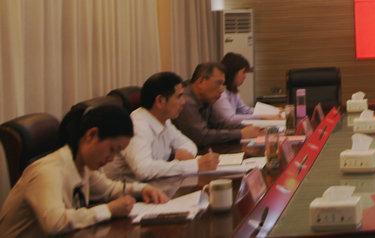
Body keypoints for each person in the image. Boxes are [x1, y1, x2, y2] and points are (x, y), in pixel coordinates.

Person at [0, 104, 169, 236]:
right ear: (91, 135)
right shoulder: (47, 171)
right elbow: (55, 223)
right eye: (112, 149)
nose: (112, 158)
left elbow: (110, 189)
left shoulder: (82, 166)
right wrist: (108, 210)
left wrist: (144, 189)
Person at [104, 72, 220, 180]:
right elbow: (143, 170)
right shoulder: (137, 125)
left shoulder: (164, 120)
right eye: (179, 96)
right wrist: (193, 165)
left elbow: (188, 144)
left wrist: (183, 154)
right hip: (124, 191)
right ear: (160, 101)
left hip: (154, 185)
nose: (183, 102)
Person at [173, 62, 263, 148]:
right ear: (201, 81)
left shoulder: (206, 98)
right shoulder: (185, 101)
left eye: (222, 84)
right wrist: (240, 133)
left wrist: (254, 128)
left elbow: (219, 124)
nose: (222, 90)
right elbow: (201, 136)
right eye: (218, 83)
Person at [211, 53, 282, 127]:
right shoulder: (220, 92)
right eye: (243, 72)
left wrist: (273, 111)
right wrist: (261, 117)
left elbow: (244, 110)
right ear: (233, 72)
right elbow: (230, 119)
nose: (245, 76)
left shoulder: (232, 90)